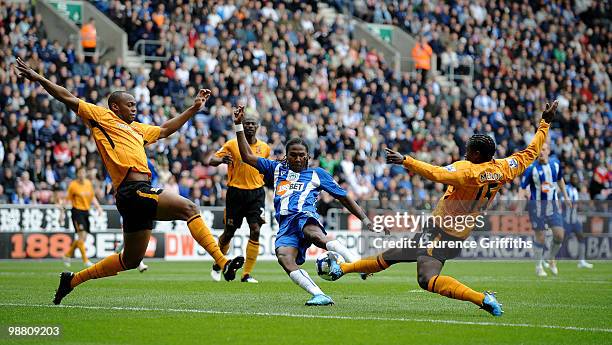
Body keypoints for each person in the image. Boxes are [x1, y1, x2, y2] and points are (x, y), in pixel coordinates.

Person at [13, 57, 244, 305]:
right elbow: (67, 96)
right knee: (190, 208)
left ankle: (72, 280)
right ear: (115, 106)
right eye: (130, 105)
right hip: (132, 190)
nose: (134, 108)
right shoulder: (101, 117)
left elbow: (165, 130)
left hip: (136, 194)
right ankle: (223, 261)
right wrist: (38, 78)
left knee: (131, 260)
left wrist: (193, 109)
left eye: (135, 105)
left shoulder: (138, 129)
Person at [330, 101, 559, 317]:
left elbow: (436, 173)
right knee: (393, 255)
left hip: (442, 232)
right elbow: (530, 153)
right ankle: (344, 268)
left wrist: (406, 160)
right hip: (454, 232)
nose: (465, 153)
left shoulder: (467, 170)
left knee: (426, 278)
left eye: (468, 150)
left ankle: (481, 298)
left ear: (477, 155)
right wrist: (545, 124)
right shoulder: (503, 168)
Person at [232, 105, 374, 306]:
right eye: (293, 155)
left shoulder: (318, 174)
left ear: (308, 157)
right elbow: (246, 156)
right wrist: (238, 125)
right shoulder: (276, 169)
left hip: (303, 215)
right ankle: (319, 294)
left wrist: (365, 219)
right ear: (286, 156)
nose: (297, 158)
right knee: (283, 257)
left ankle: (358, 264)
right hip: (285, 224)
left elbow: (344, 197)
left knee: (315, 235)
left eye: (301, 155)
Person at [208, 114, 271, 283]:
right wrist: (221, 160)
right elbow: (211, 160)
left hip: (256, 193)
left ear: (257, 127)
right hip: (235, 193)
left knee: (256, 230)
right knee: (229, 233)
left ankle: (246, 274)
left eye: (252, 123)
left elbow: (266, 168)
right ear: (241, 126)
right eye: (247, 124)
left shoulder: (265, 148)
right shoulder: (232, 144)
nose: (250, 126)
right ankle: (218, 263)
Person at [519, 142, 571, 277]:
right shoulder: (531, 169)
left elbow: (560, 180)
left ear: (548, 151)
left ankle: (550, 258)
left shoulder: (555, 164)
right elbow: (522, 187)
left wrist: (566, 197)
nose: (541, 152)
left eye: (544, 149)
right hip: (536, 207)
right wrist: (519, 205)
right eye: (539, 150)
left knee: (559, 235)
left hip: (552, 206)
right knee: (540, 237)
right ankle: (538, 266)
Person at [60, 167, 103, 268]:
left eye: (83, 172)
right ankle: (85, 260)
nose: (82, 174)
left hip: (86, 211)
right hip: (77, 211)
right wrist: (62, 213)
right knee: (81, 236)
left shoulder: (88, 183)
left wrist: (99, 208)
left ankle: (67, 255)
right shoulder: (73, 185)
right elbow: (67, 200)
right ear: (77, 174)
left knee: (82, 238)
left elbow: (92, 197)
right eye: (80, 173)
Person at [563, 174, 593, 269]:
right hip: (566, 220)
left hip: (574, 219)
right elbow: (562, 201)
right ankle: (548, 258)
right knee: (559, 240)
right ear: (570, 179)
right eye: (574, 179)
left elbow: (577, 204)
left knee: (581, 236)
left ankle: (581, 261)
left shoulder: (575, 190)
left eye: (576, 179)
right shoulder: (567, 188)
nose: (576, 181)